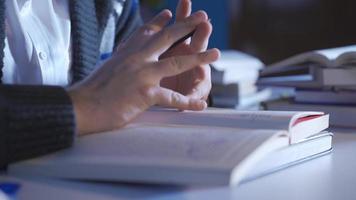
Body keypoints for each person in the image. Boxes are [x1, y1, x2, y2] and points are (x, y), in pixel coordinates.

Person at [0, 0, 219, 168]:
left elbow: (128, 77)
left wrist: (157, 85)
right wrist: (82, 107)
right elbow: (99, 100)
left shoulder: (113, 5)